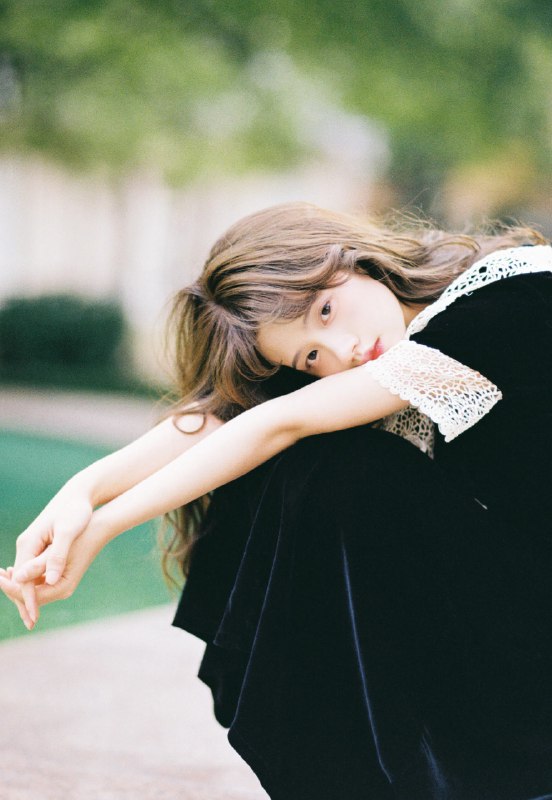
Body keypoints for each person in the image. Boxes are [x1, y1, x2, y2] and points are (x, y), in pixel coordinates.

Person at [1, 202, 552, 800]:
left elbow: (276, 423)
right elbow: (228, 416)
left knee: (341, 466)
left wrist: (105, 525)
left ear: (350, 260)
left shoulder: (513, 299)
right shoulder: (382, 343)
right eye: (309, 357)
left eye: (325, 311)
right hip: (506, 611)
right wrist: (82, 491)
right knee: (295, 466)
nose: (342, 350)